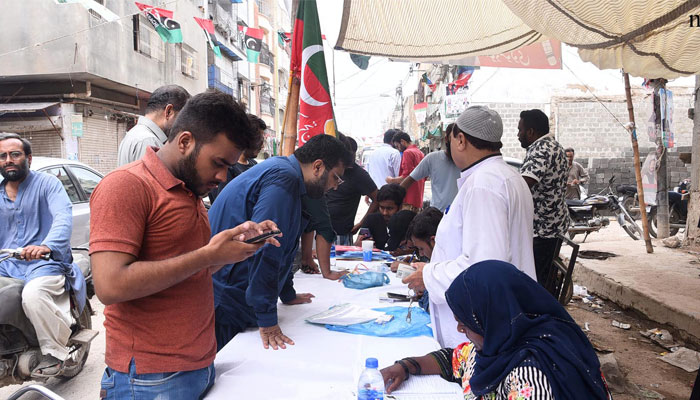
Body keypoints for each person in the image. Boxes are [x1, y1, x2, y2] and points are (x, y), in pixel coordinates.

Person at [90, 89, 277, 399]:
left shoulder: (188, 189)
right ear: (185, 141)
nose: (221, 176)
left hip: (197, 366)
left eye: (228, 167)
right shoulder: (126, 186)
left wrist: (233, 249)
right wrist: (206, 255)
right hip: (152, 379)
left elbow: (189, 268)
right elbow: (110, 286)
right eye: (217, 163)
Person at [402, 106, 536, 348]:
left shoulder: (484, 184)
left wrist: (429, 275)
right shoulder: (507, 176)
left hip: (483, 326)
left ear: (460, 140)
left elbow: (484, 267)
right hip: (507, 311)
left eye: (451, 138)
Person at [381, 261, 613, 400]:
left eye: (466, 323)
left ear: (494, 318)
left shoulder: (529, 377)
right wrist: (406, 366)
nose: (460, 329)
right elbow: (454, 359)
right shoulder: (498, 343)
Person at [209, 134, 350, 351]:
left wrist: (287, 292)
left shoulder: (287, 174)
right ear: (318, 166)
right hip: (229, 300)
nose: (336, 186)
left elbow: (285, 242)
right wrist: (267, 321)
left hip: (236, 292)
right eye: (336, 178)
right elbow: (266, 248)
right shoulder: (284, 178)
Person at [0, 133, 81, 377]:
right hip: (6, 264)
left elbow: (62, 216)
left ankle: (55, 351)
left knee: (33, 295)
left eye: (15, 154)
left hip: (44, 263)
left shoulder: (48, 184)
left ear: (28, 158)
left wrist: (46, 245)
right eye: (3, 156)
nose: (8, 160)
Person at [518, 109, 569, 285]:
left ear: (531, 132)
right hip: (553, 225)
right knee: (544, 278)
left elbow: (524, 183)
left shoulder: (541, 150)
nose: (518, 135)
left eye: (520, 130)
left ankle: (542, 312)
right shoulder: (555, 146)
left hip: (543, 229)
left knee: (538, 283)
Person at [117, 84, 191, 166]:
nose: (182, 126)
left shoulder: (135, 134)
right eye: (181, 118)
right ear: (169, 112)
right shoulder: (149, 142)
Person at [326, 135, 379, 245]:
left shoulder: (359, 174)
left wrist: (361, 223)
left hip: (340, 233)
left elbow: (377, 198)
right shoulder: (326, 168)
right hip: (320, 229)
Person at [399, 124, 460, 212]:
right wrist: (395, 201)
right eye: (454, 139)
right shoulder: (432, 158)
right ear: (447, 139)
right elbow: (409, 180)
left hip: (460, 215)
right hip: (437, 215)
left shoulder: (468, 161)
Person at [208, 114, 266, 203]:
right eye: (260, 140)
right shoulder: (227, 169)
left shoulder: (254, 164)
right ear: (247, 138)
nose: (262, 146)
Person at [355, 184, 416, 252]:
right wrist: (358, 245)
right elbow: (359, 242)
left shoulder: (409, 221)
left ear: (400, 206)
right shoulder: (371, 220)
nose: (385, 213)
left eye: (390, 208)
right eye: (382, 207)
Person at [387, 131, 425, 212]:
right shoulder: (420, 153)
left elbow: (407, 176)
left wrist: (391, 180)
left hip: (408, 199)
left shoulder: (407, 153)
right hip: (418, 198)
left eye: (397, 146)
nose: (398, 149)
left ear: (402, 142)